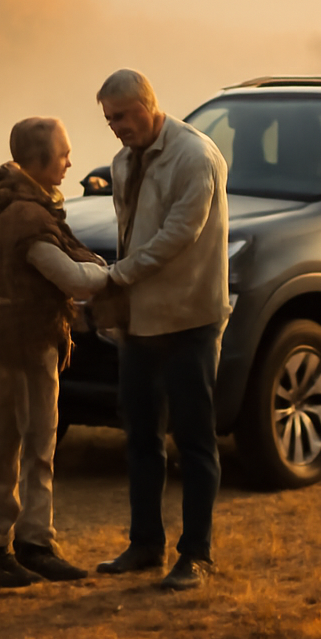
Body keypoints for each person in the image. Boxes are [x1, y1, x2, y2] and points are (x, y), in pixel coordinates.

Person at [93, 69, 229, 592]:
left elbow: (179, 234)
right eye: (109, 119)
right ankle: (145, 545)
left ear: (149, 105)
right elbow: (130, 232)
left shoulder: (196, 157)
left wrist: (115, 277)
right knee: (141, 437)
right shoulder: (123, 162)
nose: (116, 127)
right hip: (141, 323)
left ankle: (196, 555)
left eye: (123, 116)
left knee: (194, 441)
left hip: (190, 318)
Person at [0, 118, 109, 588]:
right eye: (63, 153)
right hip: (25, 344)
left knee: (14, 444)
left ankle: (12, 545)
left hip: (14, 338)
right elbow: (71, 278)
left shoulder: (12, 205)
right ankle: (21, 545)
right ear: (37, 161)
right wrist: (114, 276)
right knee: (29, 446)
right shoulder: (27, 217)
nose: (70, 161)